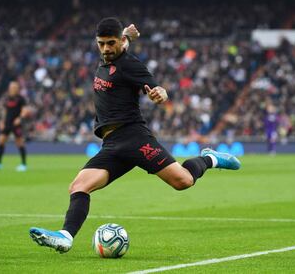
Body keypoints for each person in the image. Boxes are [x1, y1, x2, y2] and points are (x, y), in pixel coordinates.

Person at [29, 17, 240, 253]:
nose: (106, 48)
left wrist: (160, 93)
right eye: (102, 44)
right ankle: (65, 236)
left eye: (111, 43)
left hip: (134, 137)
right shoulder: (111, 53)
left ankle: (210, 158)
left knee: (183, 181)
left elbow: (156, 87)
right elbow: (120, 45)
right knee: (78, 186)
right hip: (111, 144)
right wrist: (127, 35)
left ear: (119, 42)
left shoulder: (130, 64)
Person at [0, 81, 29, 171]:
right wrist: (2, 121)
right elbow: (5, 111)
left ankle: (24, 164)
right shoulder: (7, 98)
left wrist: (19, 119)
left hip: (16, 124)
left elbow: (25, 110)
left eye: (14, 87)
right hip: (7, 123)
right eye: (11, 87)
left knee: (19, 143)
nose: (12, 88)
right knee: (1, 141)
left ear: (17, 88)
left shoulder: (21, 99)